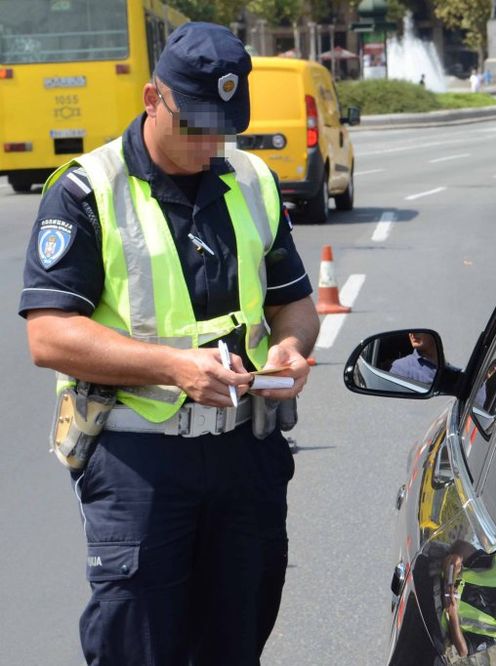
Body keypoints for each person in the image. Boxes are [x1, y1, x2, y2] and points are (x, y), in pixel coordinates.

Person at [19, 23, 320, 665]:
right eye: (194, 126)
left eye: (223, 127)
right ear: (154, 97)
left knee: (237, 641)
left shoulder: (252, 179)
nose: (208, 143)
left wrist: (290, 348)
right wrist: (172, 366)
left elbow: (292, 299)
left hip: (244, 451)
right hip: (138, 461)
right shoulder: (85, 189)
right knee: (138, 648)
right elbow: (47, 335)